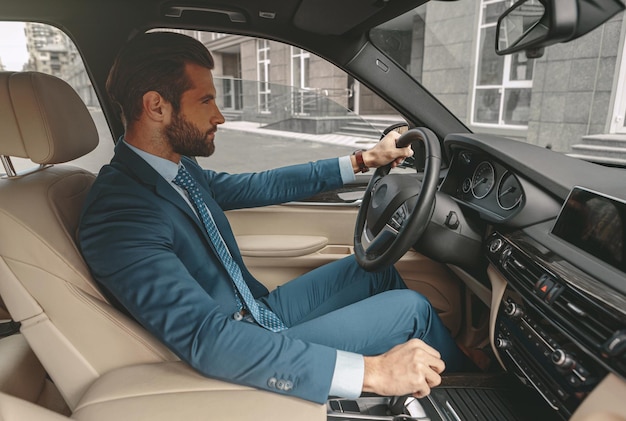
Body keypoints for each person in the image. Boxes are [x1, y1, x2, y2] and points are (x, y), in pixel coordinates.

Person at [78, 31, 470, 405]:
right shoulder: (120, 213)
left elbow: (258, 185)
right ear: (156, 106)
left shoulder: (175, 169)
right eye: (205, 101)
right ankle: (471, 388)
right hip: (240, 340)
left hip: (255, 309)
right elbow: (206, 340)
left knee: (374, 269)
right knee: (410, 309)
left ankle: (457, 369)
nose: (220, 117)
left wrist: (364, 160)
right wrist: (372, 372)